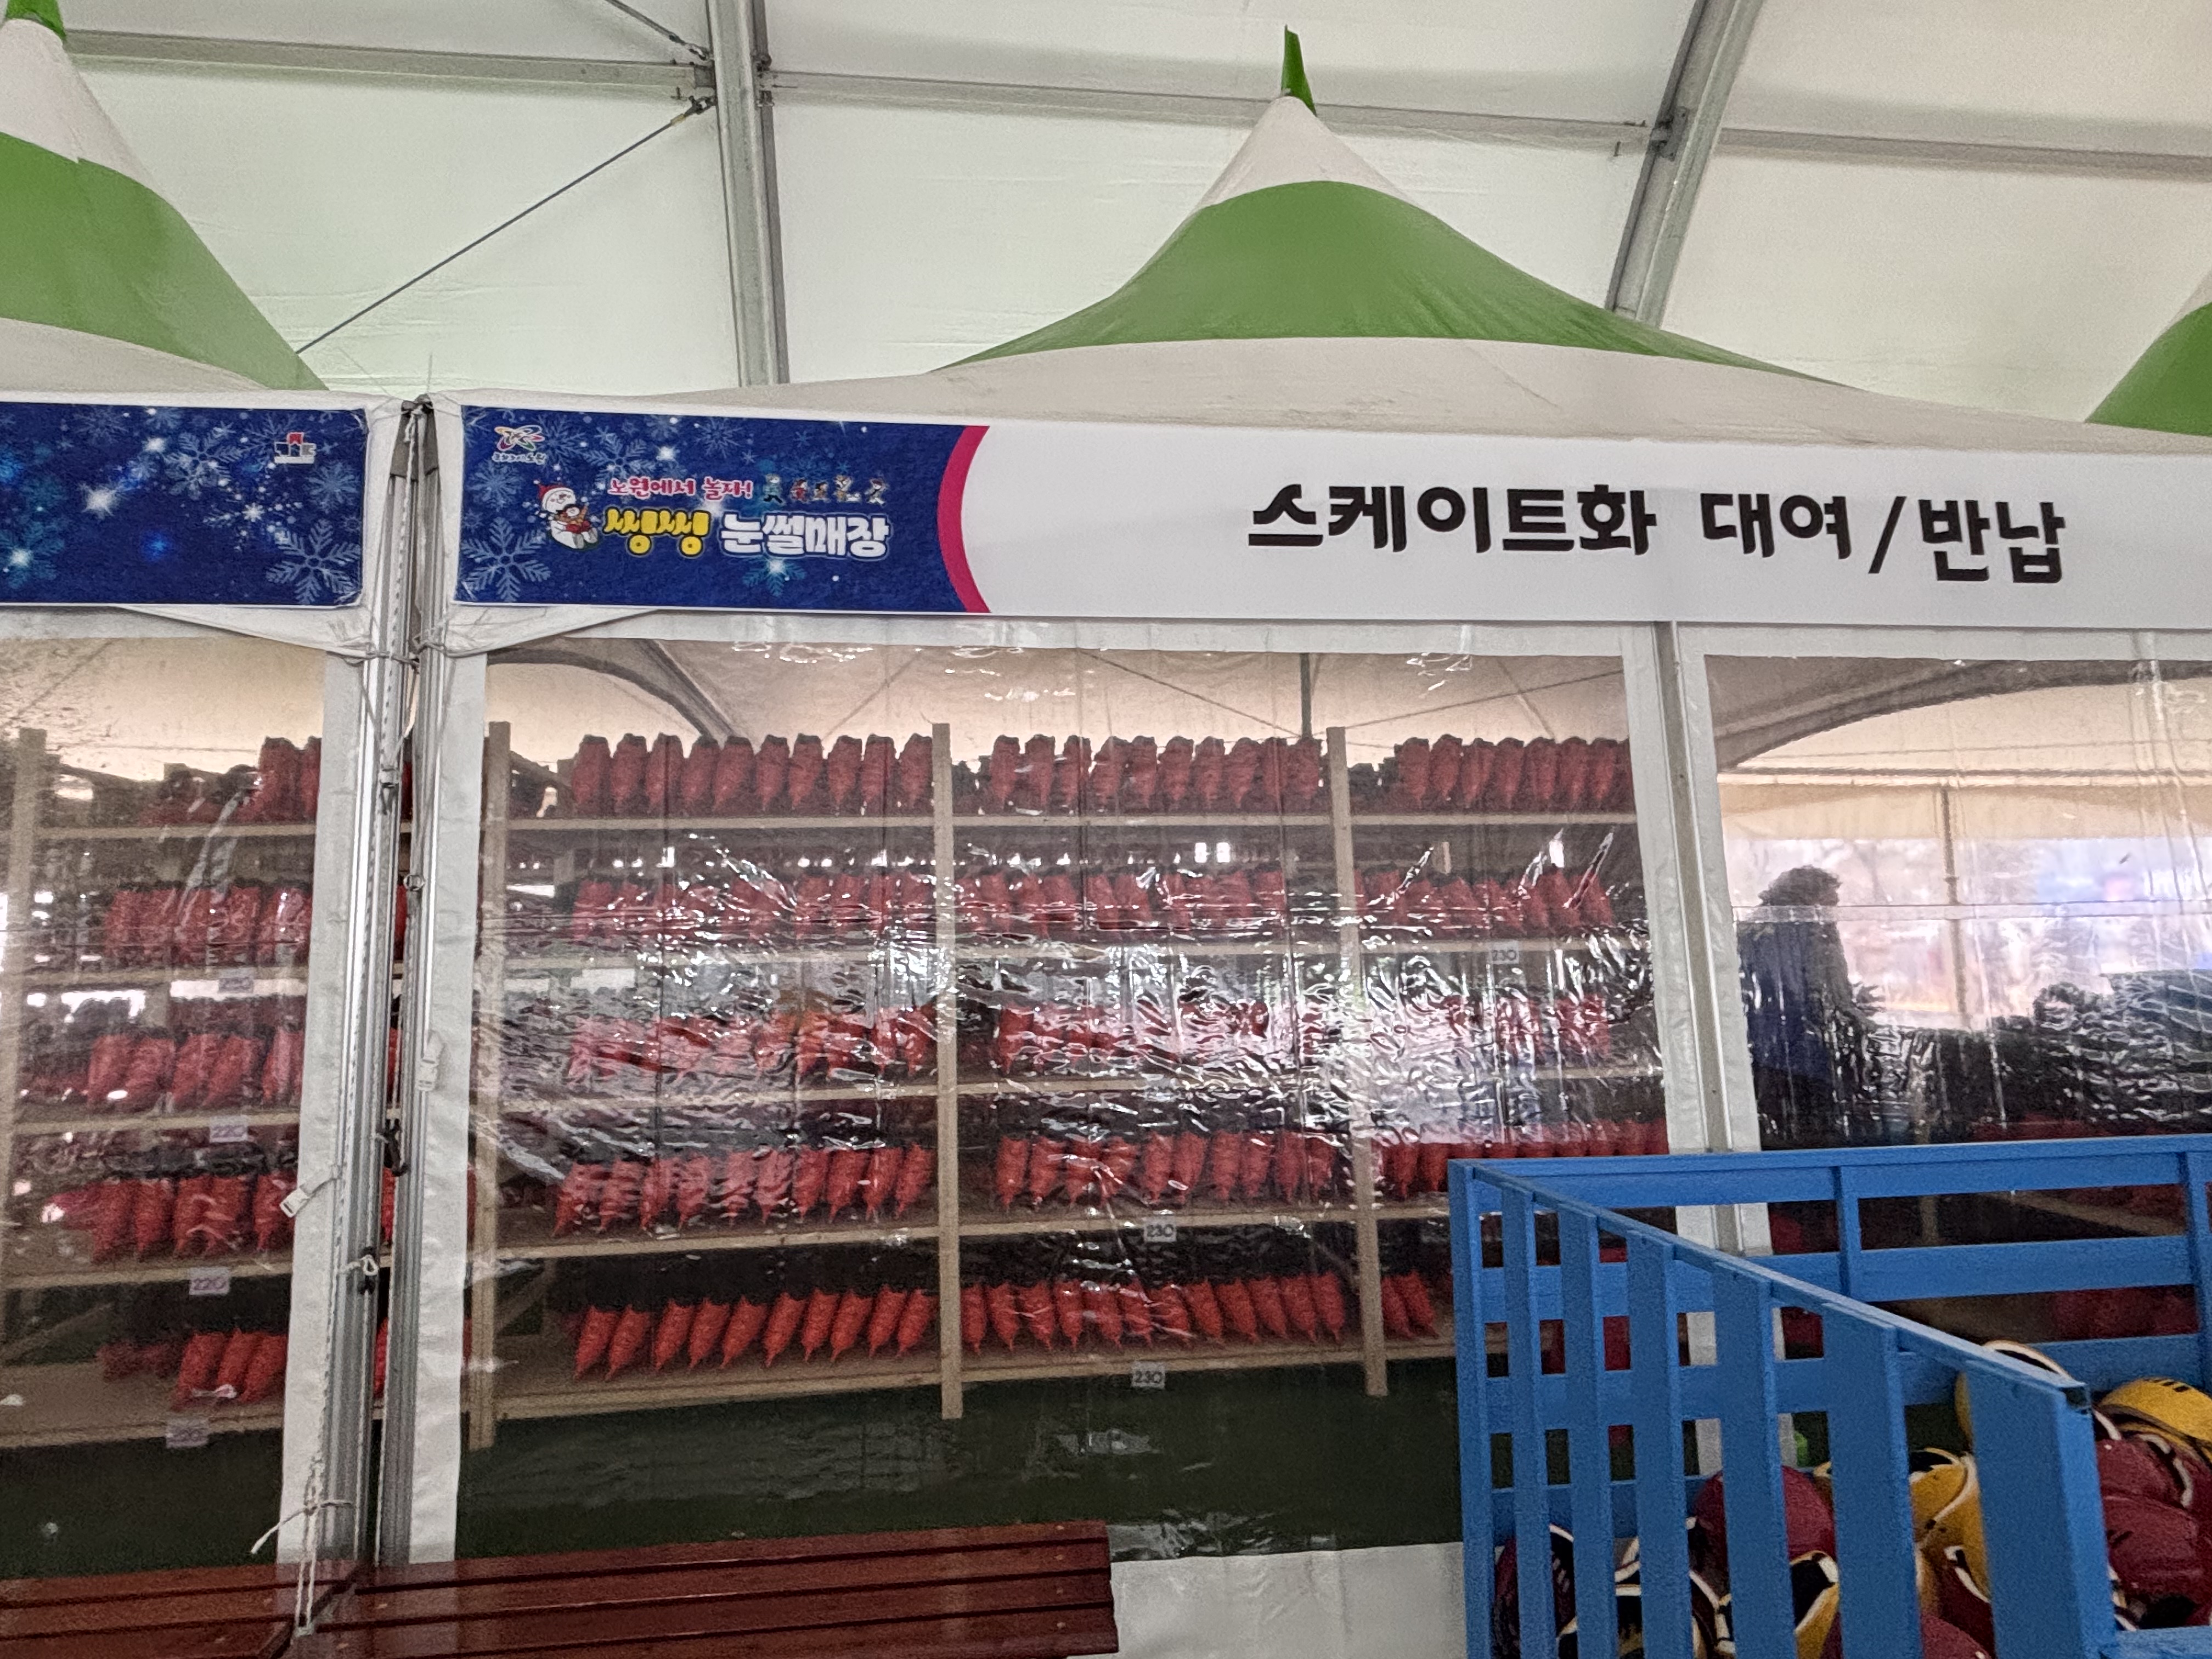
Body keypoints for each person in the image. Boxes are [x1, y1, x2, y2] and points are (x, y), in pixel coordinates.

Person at [1737, 866, 1874, 1148]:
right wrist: (1845, 1012)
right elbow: (1796, 991)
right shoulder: (1789, 929)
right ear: (1808, 899)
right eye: (1829, 904)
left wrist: (1849, 1002)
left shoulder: (1768, 927)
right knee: (1808, 1126)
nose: (1834, 913)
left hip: (1776, 1049)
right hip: (1794, 1051)